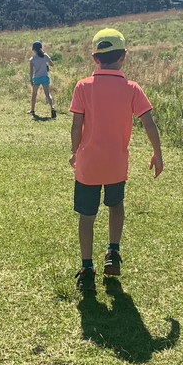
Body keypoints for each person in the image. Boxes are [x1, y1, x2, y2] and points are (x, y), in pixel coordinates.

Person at [69, 28, 163, 291]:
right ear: (124, 56)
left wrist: (75, 150)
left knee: (86, 216)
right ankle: (113, 252)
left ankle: (86, 268)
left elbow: (76, 126)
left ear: (95, 58)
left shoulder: (82, 87)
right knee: (116, 205)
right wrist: (157, 153)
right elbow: (149, 123)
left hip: (88, 165)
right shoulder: (132, 88)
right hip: (116, 165)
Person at [28, 40, 56, 118]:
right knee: (47, 94)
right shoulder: (45, 56)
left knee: (34, 94)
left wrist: (31, 80)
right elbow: (52, 64)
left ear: (33, 49)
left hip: (36, 78)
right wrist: (46, 63)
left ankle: (32, 110)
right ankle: (52, 107)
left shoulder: (32, 59)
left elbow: (31, 71)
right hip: (45, 77)